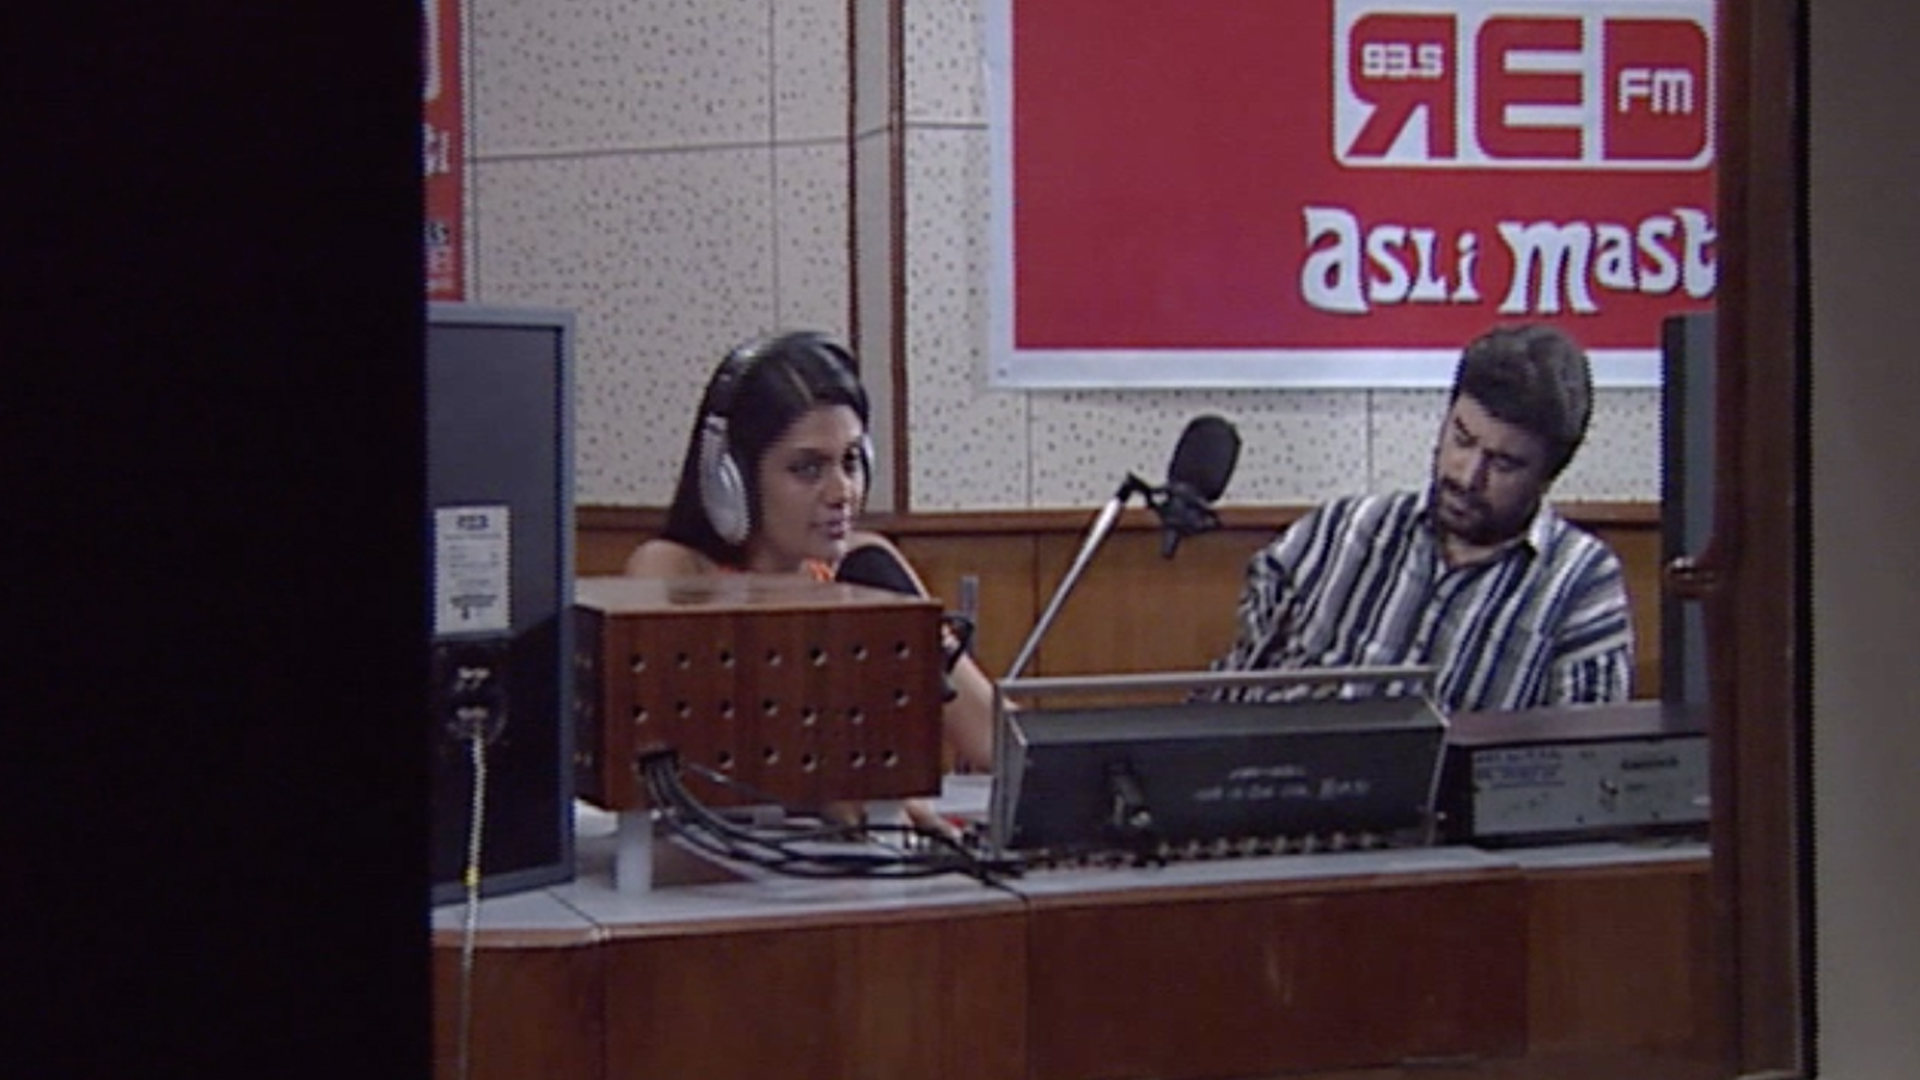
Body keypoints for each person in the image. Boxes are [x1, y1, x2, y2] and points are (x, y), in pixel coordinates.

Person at [1207, 323, 1633, 713]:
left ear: (1548, 475)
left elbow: (1583, 759)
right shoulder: (1342, 530)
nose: (1468, 476)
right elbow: (1238, 687)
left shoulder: (1580, 586)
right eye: (1462, 439)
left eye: (1503, 464)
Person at [626, 329, 997, 774]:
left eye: (851, 461)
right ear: (732, 482)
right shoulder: (673, 572)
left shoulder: (866, 568)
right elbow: (674, 762)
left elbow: (996, 742)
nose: (841, 492)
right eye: (808, 468)